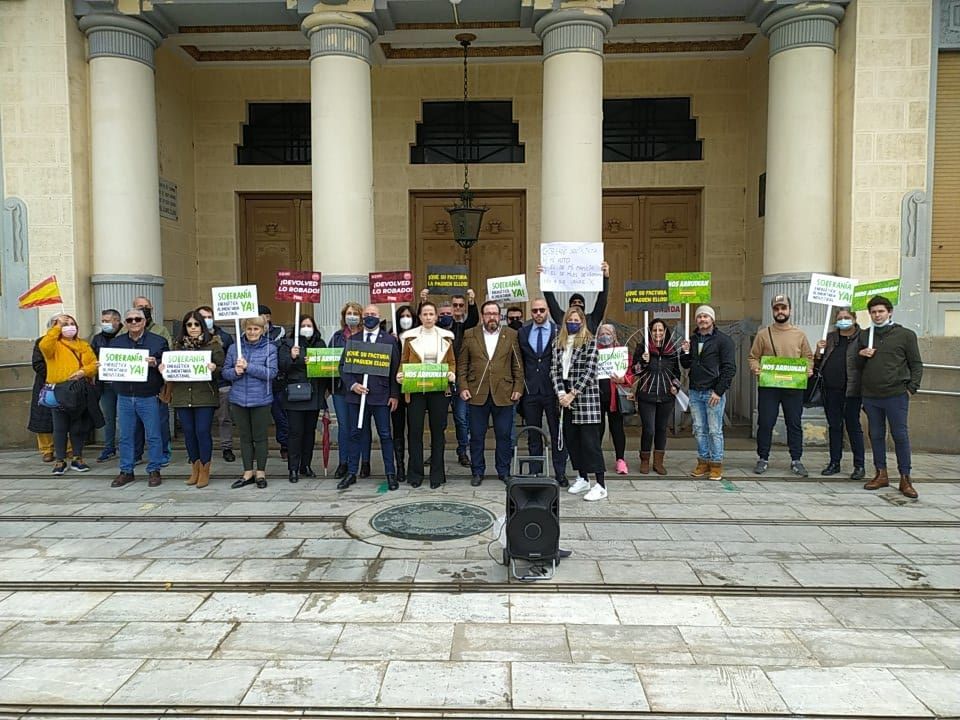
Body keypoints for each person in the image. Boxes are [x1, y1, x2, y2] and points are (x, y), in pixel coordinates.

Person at [858, 295, 923, 498]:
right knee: (876, 434)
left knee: (900, 435)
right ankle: (881, 473)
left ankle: (905, 477)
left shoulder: (905, 335)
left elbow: (916, 364)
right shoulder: (865, 335)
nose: (877, 315)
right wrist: (861, 355)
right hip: (871, 395)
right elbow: (857, 366)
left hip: (896, 394)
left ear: (890, 312)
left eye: (881, 311)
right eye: (873, 312)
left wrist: (911, 388)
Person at [458, 300, 524, 486]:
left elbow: (517, 365)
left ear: (499, 316)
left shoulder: (510, 334)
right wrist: (463, 386)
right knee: (477, 436)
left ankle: (503, 471)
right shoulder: (470, 334)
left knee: (504, 435)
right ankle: (477, 471)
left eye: (495, 314)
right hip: (476, 392)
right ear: (482, 316)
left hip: (504, 393)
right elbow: (462, 364)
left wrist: (518, 388)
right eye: (488, 314)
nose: (492, 317)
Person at [748, 294, 814, 477]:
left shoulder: (799, 334)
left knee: (794, 423)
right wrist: (756, 368)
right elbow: (753, 357)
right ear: (772, 311)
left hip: (793, 386)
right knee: (765, 422)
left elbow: (808, 357)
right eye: (776, 308)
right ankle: (763, 458)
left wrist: (808, 369)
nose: (780, 311)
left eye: (783, 308)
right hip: (769, 386)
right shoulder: (763, 334)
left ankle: (796, 459)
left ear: (789, 310)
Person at [338, 304, 400, 490]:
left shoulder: (389, 340)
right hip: (357, 397)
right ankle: (352, 472)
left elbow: (395, 369)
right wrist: (353, 385)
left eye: (373, 314)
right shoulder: (353, 339)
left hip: (381, 397)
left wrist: (394, 395)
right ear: (362, 317)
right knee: (355, 434)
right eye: (367, 314)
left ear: (379, 317)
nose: (370, 317)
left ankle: (390, 473)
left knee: (385, 435)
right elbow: (343, 367)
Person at [160, 310, 224, 489]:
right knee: (188, 432)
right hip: (182, 395)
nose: (193, 328)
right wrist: (164, 369)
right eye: (189, 325)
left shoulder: (213, 346)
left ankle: (205, 469)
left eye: (196, 324)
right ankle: (194, 468)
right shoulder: (177, 347)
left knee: (202, 431)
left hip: (204, 395)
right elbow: (171, 371)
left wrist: (214, 368)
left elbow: (223, 369)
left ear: (202, 326)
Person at [399, 301, 456, 489]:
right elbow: (404, 361)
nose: (429, 317)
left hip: (439, 389)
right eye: (425, 314)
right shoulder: (409, 337)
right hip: (416, 389)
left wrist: (451, 373)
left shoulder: (446, 337)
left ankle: (437, 475)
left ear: (436, 317)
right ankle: (415, 474)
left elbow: (451, 361)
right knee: (414, 431)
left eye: (432, 314)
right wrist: (400, 374)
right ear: (420, 317)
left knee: (438, 432)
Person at [552, 306, 606, 500]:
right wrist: (561, 393)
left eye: (576, 320)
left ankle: (601, 484)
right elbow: (554, 370)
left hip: (584, 397)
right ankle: (583, 477)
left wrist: (572, 394)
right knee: (573, 441)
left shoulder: (589, 342)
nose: (573, 323)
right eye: (570, 320)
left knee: (590, 444)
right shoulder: (558, 342)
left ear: (582, 322)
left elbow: (590, 371)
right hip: (565, 397)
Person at [111, 308, 169, 488]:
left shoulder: (158, 341)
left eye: (138, 319)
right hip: (124, 395)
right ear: (125, 323)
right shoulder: (116, 343)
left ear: (144, 321)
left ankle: (154, 470)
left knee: (153, 435)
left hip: (148, 395)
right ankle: (126, 471)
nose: (134, 322)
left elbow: (167, 364)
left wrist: (156, 363)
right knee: (125, 436)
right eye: (130, 320)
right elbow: (109, 364)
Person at [680, 305, 737, 481]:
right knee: (699, 429)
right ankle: (703, 461)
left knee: (714, 430)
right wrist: (685, 352)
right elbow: (686, 364)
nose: (702, 319)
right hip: (695, 391)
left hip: (713, 392)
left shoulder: (723, 341)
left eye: (706, 316)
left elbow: (729, 368)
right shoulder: (692, 339)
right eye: (699, 317)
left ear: (712, 319)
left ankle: (716, 464)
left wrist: (719, 391)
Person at [38, 314, 99, 475]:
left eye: (72, 323)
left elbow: (94, 364)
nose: (69, 326)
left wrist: (83, 372)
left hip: (79, 390)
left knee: (78, 426)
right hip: (59, 390)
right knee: (59, 427)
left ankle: (78, 458)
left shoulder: (83, 345)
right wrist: (57, 327)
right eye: (65, 324)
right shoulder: (53, 344)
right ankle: (60, 460)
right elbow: (45, 346)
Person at [222, 315, 278, 489]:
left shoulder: (270, 348)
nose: (252, 332)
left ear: (262, 330)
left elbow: (271, 373)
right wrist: (235, 371)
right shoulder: (234, 348)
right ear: (244, 330)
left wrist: (248, 367)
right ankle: (247, 472)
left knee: (260, 437)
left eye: (256, 329)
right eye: (249, 329)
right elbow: (225, 372)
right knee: (245, 437)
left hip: (261, 399)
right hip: (238, 399)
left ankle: (260, 472)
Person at [425, 288, 478, 467]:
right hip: (438, 382)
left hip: (459, 382)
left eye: (449, 313)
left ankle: (463, 452)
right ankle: (436, 452)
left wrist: (471, 302)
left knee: (462, 419)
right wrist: (423, 301)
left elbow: (473, 319)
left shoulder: (462, 328)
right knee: (437, 421)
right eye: (443, 314)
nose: (446, 316)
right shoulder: (432, 331)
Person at [518, 297, 568, 484]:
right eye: (535, 311)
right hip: (531, 390)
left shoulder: (558, 331)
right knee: (533, 434)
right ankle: (535, 472)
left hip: (553, 390)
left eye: (542, 310)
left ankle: (560, 472)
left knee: (557, 433)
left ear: (547, 311)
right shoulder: (523, 332)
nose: (538, 314)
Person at [814, 307, 866, 480]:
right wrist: (818, 351)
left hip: (852, 390)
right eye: (840, 318)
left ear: (854, 319)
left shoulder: (863, 337)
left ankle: (859, 465)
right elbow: (819, 361)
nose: (843, 320)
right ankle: (834, 462)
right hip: (830, 390)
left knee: (853, 426)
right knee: (834, 426)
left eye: (847, 317)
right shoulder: (830, 337)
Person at [278, 314, 330, 484]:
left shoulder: (320, 344)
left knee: (309, 433)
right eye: (303, 326)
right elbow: (282, 366)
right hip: (295, 395)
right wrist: (292, 358)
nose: (306, 329)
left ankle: (305, 465)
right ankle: (293, 468)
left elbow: (326, 368)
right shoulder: (288, 344)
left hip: (314, 394)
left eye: (309, 325)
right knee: (295, 432)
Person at [633, 318, 681, 475]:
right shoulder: (642, 348)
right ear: (650, 332)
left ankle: (658, 462)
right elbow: (635, 370)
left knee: (661, 429)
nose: (658, 333)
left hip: (666, 396)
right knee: (649, 429)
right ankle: (645, 460)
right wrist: (643, 361)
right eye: (654, 330)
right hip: (646, 396)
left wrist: (675, 386)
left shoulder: (671, 350)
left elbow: (677, 373)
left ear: (665, 332)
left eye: (661, 330)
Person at [329, 302, 370, 479]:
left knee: (362, 426)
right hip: (340, 388)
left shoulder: (366, 336)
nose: (351, 316)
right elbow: (328, 362)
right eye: (348, 313)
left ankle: (365, 462)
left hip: (362, 387)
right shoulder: (337, 337)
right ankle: (343, 462)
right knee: (344, 427)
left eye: (355, 313)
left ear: (361, 317)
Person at [130, 296, 172, 467]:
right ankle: (136, 454)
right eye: (139, 307)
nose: (143, 309)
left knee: (159, 423)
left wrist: (156, 362)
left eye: (146, 306)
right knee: (134, 425)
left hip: (155, 384)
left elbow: (168, 354)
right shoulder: (124, 331)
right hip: (132, 386)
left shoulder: (161, 331)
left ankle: (163, 453)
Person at [28, 316, 72, 464]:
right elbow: (38, 364)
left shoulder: (71, 342)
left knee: (68, 416)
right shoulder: (42, 342)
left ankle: (69, 447)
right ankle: (47, 449)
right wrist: (55, 372)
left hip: (67, 384)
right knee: (43, 417)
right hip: (45, 384)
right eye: (62, 324)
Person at [197, 305, 236, 463]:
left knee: (224, 418)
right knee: (201, 421)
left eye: (209, 317)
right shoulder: (190, 338)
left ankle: (227, 447)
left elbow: (230, 360)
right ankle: (200, 450)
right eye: (203, 317)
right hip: (201, 386)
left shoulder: (225, 337)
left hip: (221, 383)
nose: (207, 320)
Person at [596, 323, 633, 475]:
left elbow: (630, 373)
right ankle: (596, 459)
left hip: (614, 397)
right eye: (602, 334)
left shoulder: (621, 352)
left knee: (617, 429)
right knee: (597, 429)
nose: (605, 336)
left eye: (608, 333)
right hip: (597, 397)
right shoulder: (593, 352)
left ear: (614, 335)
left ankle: (620, 460)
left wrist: (623, 379)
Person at [540, 261, 610, 333]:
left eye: (580, 302)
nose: (577, 304)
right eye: (574, 302)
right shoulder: (562, 318)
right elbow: (551, 302)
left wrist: (605, 278)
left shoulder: (591, 320)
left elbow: (601, 302)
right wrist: (545, 279)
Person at [391, 304, 418, 484]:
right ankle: (399, 466)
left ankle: (413, 466)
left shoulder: (418, 336)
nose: (405, 319)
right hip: (396, 389)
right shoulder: (390, 337)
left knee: (414, 430)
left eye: (408, 316)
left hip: (413, 388)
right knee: (398, 429)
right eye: (402, 316)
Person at [258, 304, 289, 461]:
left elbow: (277, 348)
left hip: (276, 382)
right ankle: (259, 448)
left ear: (268, 317)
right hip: (258, 383)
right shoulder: (247, 332)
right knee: (259, 418)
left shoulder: (279, 331)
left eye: (262, 316)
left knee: (280, 416)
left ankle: (285, 445)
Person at [90, 309, 122, 462]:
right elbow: (91, 358)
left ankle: (128, 447)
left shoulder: (126, 336)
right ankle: (109, 448)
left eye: (107, 321)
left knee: (126, 418)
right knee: (109, 418)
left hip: (124, 385)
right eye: (103, 321)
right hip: (105, 385)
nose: (105, 324)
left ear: (117, 321)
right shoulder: (97, 339)